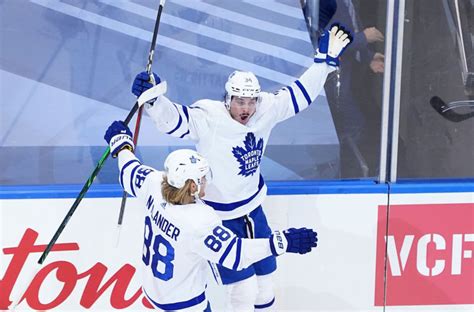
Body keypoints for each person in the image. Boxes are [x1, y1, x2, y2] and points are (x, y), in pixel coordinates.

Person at [130, 24, 351, 311]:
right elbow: (173, 120)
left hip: (252, 210)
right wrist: (155, 100)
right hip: (220, 217)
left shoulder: (266, 109)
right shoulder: (209, 117)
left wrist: (323, 64)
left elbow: (298, 96)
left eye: (251, 101)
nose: (246, 108)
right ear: (228, 99)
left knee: (266, 282)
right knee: (243, 289)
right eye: (239, 101)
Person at [104, 120, 318, 312]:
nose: (206, 181)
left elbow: (128, 171)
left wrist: (121, 144)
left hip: (153, 295)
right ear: (192, 185)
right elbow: (236, 255)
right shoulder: (199, 220)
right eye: (202, 177)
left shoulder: (154, 183)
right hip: (186, 305)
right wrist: (281, 243)